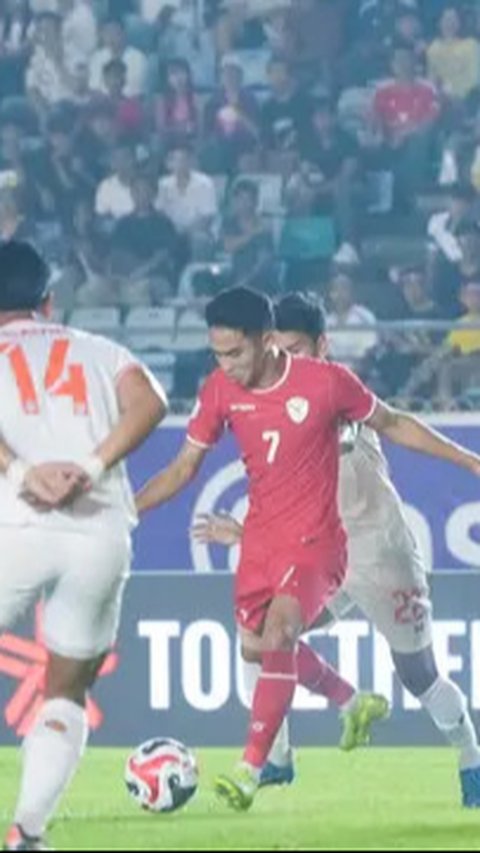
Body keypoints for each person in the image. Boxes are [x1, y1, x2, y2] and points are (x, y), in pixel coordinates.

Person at [136, 286, 480, 812]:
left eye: (296, 349)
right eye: (282, 348)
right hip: (316, 556)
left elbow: (393, 425)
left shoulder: (335, 395)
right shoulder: (261, 393)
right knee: (258, 641)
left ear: (322, 346)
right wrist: (247, 531)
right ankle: (277, 755)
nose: (285, 360)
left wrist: (471, 461)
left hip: (381, 558)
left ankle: (469, 755)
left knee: (419, 675)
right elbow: (282, 483)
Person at [0, 241, 167, 851]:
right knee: (66, 688)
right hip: (96, 532)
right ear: (48, 300)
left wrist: (21, 474)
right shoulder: (97, 349)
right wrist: (90, 469)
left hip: (12, 529)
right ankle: (28, 832)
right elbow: (150, 402)